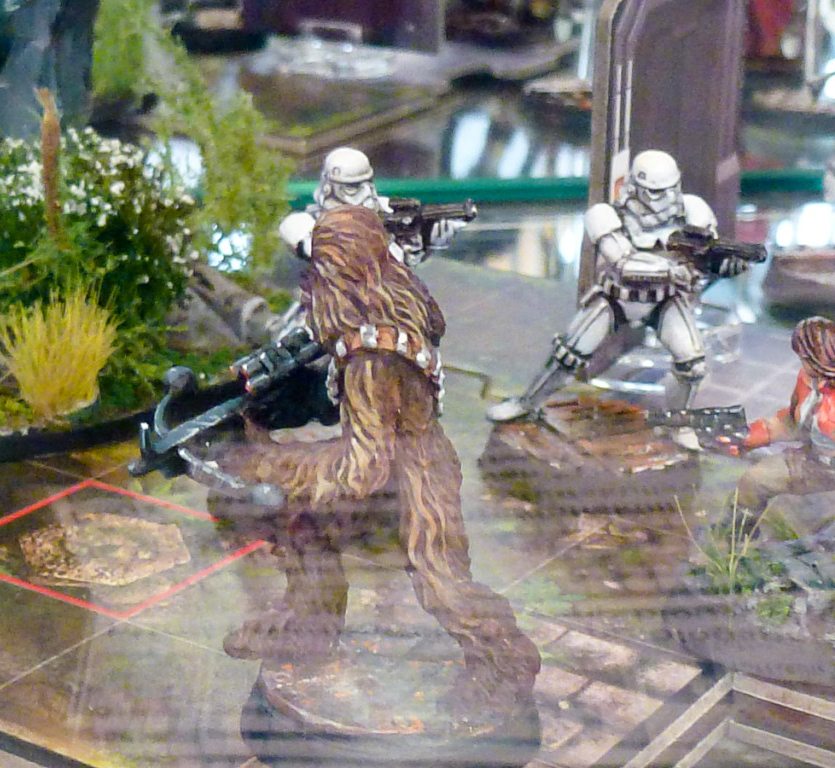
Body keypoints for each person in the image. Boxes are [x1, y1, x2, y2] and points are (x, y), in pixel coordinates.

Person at [220, 205, 540, 713]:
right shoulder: (394, 317)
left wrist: (278, 465)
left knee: (442, 585)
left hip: (413, 482)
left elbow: (362, 470)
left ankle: (503, 661)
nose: (307, 287)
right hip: (413, 464)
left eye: (316, 273)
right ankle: (307, 624)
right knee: (303, 525)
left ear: (338, 276)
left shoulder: (368, 361)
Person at [488, 149, 747, 422]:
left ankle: (678, 422)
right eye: (654, 192)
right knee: (568, 356)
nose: (663, 200)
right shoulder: (606, 214)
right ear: (635, 187)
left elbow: (707, 257)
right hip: (617, 298)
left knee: (693, 366)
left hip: (665, 300)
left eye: (669, 190)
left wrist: (723, 265)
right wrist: (674, 270)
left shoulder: (693, 211)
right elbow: (625, 264)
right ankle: (528, 403)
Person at [279, 146, 466, 268]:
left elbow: (403, 264)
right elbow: (320, 250)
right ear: (330, 188)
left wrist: (428, 240)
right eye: (353, 187)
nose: (366, 192)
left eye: (367, 183)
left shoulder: (385, 209)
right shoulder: (305, 222)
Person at [733, 316, 835, 519]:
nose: (802, 362)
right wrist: (751, 436)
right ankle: (737, 531)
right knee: (753, 481)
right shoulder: (808, 382)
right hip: (814, 463)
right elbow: (792, 423)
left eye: (805, 357)